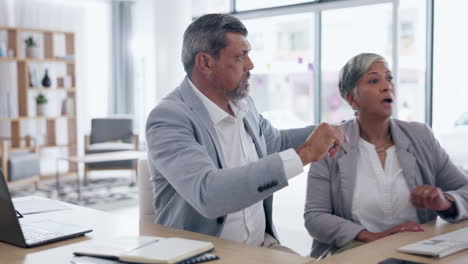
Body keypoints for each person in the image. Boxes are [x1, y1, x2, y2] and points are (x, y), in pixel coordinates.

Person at [145, 13, 346, 253]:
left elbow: (276, 142)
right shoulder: (169, 118)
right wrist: (304, 154)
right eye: (240, 56)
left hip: (260, 247)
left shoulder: (244, 104)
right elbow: (209, 194)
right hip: (202, 255)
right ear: (205, 62)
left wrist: (327, 130)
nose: (250, 65)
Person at [304, 53, 468, 258]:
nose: (386, 86)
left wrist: (446, 201)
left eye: (389, 79)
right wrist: (371, 236)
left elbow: (465, 189)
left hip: (419, 252)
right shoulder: (331, 144)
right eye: (374, 80)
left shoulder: (420, 136)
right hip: (358, 252)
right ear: (351, 98)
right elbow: (315, 217)